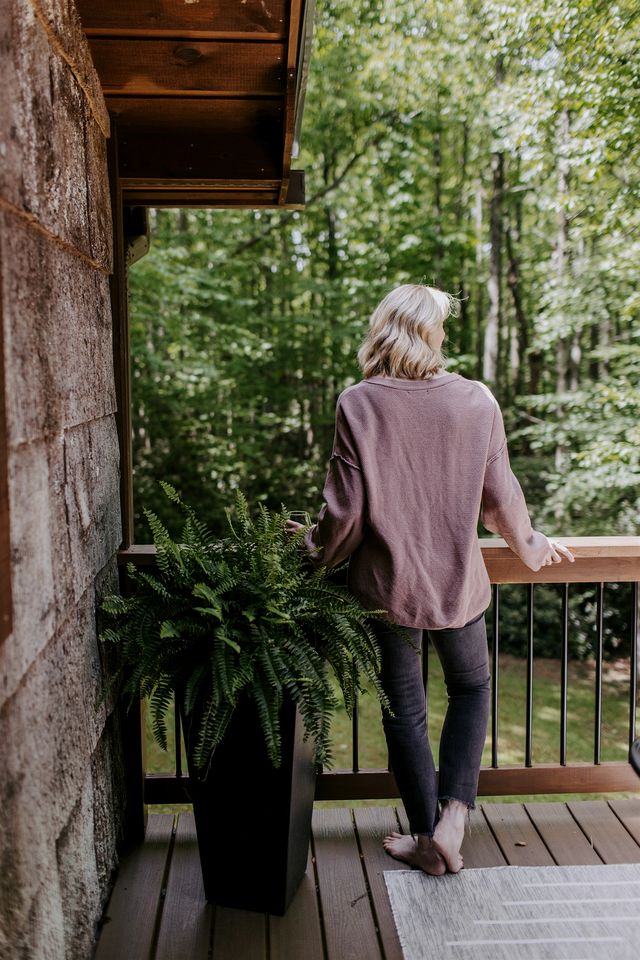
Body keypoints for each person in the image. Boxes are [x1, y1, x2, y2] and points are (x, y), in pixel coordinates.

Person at [286, 283, 574, 876]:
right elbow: (502, 500)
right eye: (441, 324)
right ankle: (454, 819)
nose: (445, 334)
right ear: (424, 332)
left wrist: (308, 553)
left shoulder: (359, 404)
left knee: (405, 712)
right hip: (459, 584)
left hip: (385, 591)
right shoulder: (476, 401)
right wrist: (533, 546)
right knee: (471, 690)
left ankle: (426, 838)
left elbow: (344, 517)